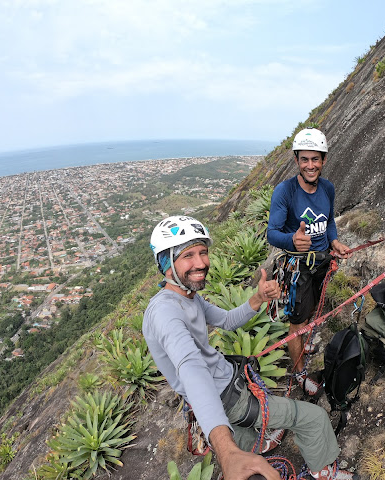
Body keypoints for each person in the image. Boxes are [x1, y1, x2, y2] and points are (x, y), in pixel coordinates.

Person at [143, 216, 359, 480]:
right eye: (188, 255)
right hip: (227, 397)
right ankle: (323, 470)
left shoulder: (186, 297)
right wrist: (227, 453)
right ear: (166, 263)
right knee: (313, 417)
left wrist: (257, 298)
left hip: (227, 386)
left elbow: (225, 320)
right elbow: (192, 371)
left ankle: (258, 437)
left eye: (203, 252)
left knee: (252, 426)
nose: (200, 263)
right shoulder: (165, 313)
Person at [267, 127, 352, 395]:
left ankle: (305, 340)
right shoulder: (285, 192)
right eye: (304, 159)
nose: (310, 165)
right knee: (297, 321)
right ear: (297, 161)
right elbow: (272, 233)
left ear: (323, 160)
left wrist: (334, 240)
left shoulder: (327, 188)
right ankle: (300, 372)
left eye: (315, 159)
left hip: (322, 261)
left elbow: (329, 221)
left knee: (314, 308)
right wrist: (292, 240)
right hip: (298, 266)